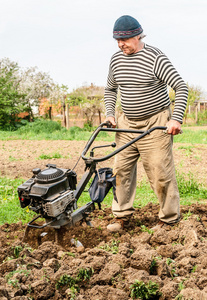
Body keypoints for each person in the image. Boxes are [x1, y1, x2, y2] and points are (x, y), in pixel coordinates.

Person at [104, 15, 188, 232]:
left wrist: (176, 118)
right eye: (117, 41)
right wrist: (110, 113)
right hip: (126, 123)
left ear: (138, 35)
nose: (121, 44)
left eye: (126, 40)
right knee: (120, 171)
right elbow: (111, 88)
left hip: (156, 122)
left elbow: (181, 86)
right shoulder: (116, 59)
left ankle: (169, 220)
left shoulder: (155, 57)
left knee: (160, 172)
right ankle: (121, 217)